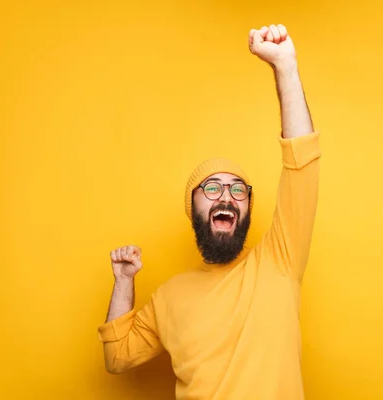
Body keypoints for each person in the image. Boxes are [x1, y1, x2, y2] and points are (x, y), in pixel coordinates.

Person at [98, 23, 321, 400]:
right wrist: (123, 282)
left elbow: (302, 164)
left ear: (248, 207)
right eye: (212, 188)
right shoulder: (169, 298)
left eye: (238, 190)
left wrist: (285, 67)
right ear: (193, 207)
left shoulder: (280, 261)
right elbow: (117, 357)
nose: (226, 197)